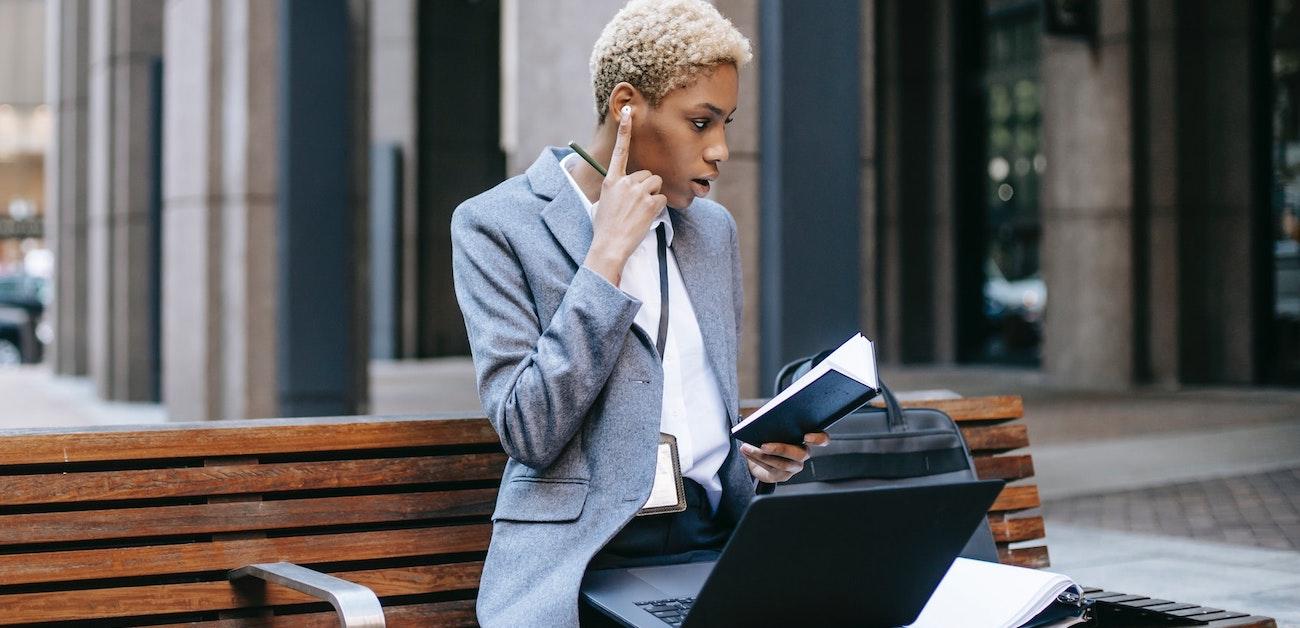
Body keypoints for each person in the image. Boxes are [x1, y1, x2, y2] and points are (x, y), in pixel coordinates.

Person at [451, 1, 828, 625]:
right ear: (626, 106)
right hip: (583, 563)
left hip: (717, 543)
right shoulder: (496, 225)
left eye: (727, 122)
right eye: (701, 122)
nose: (723, 149)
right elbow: (528, 430)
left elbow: (690, 401)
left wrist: (748, 457)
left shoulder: (710, 231)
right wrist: (604, 261)